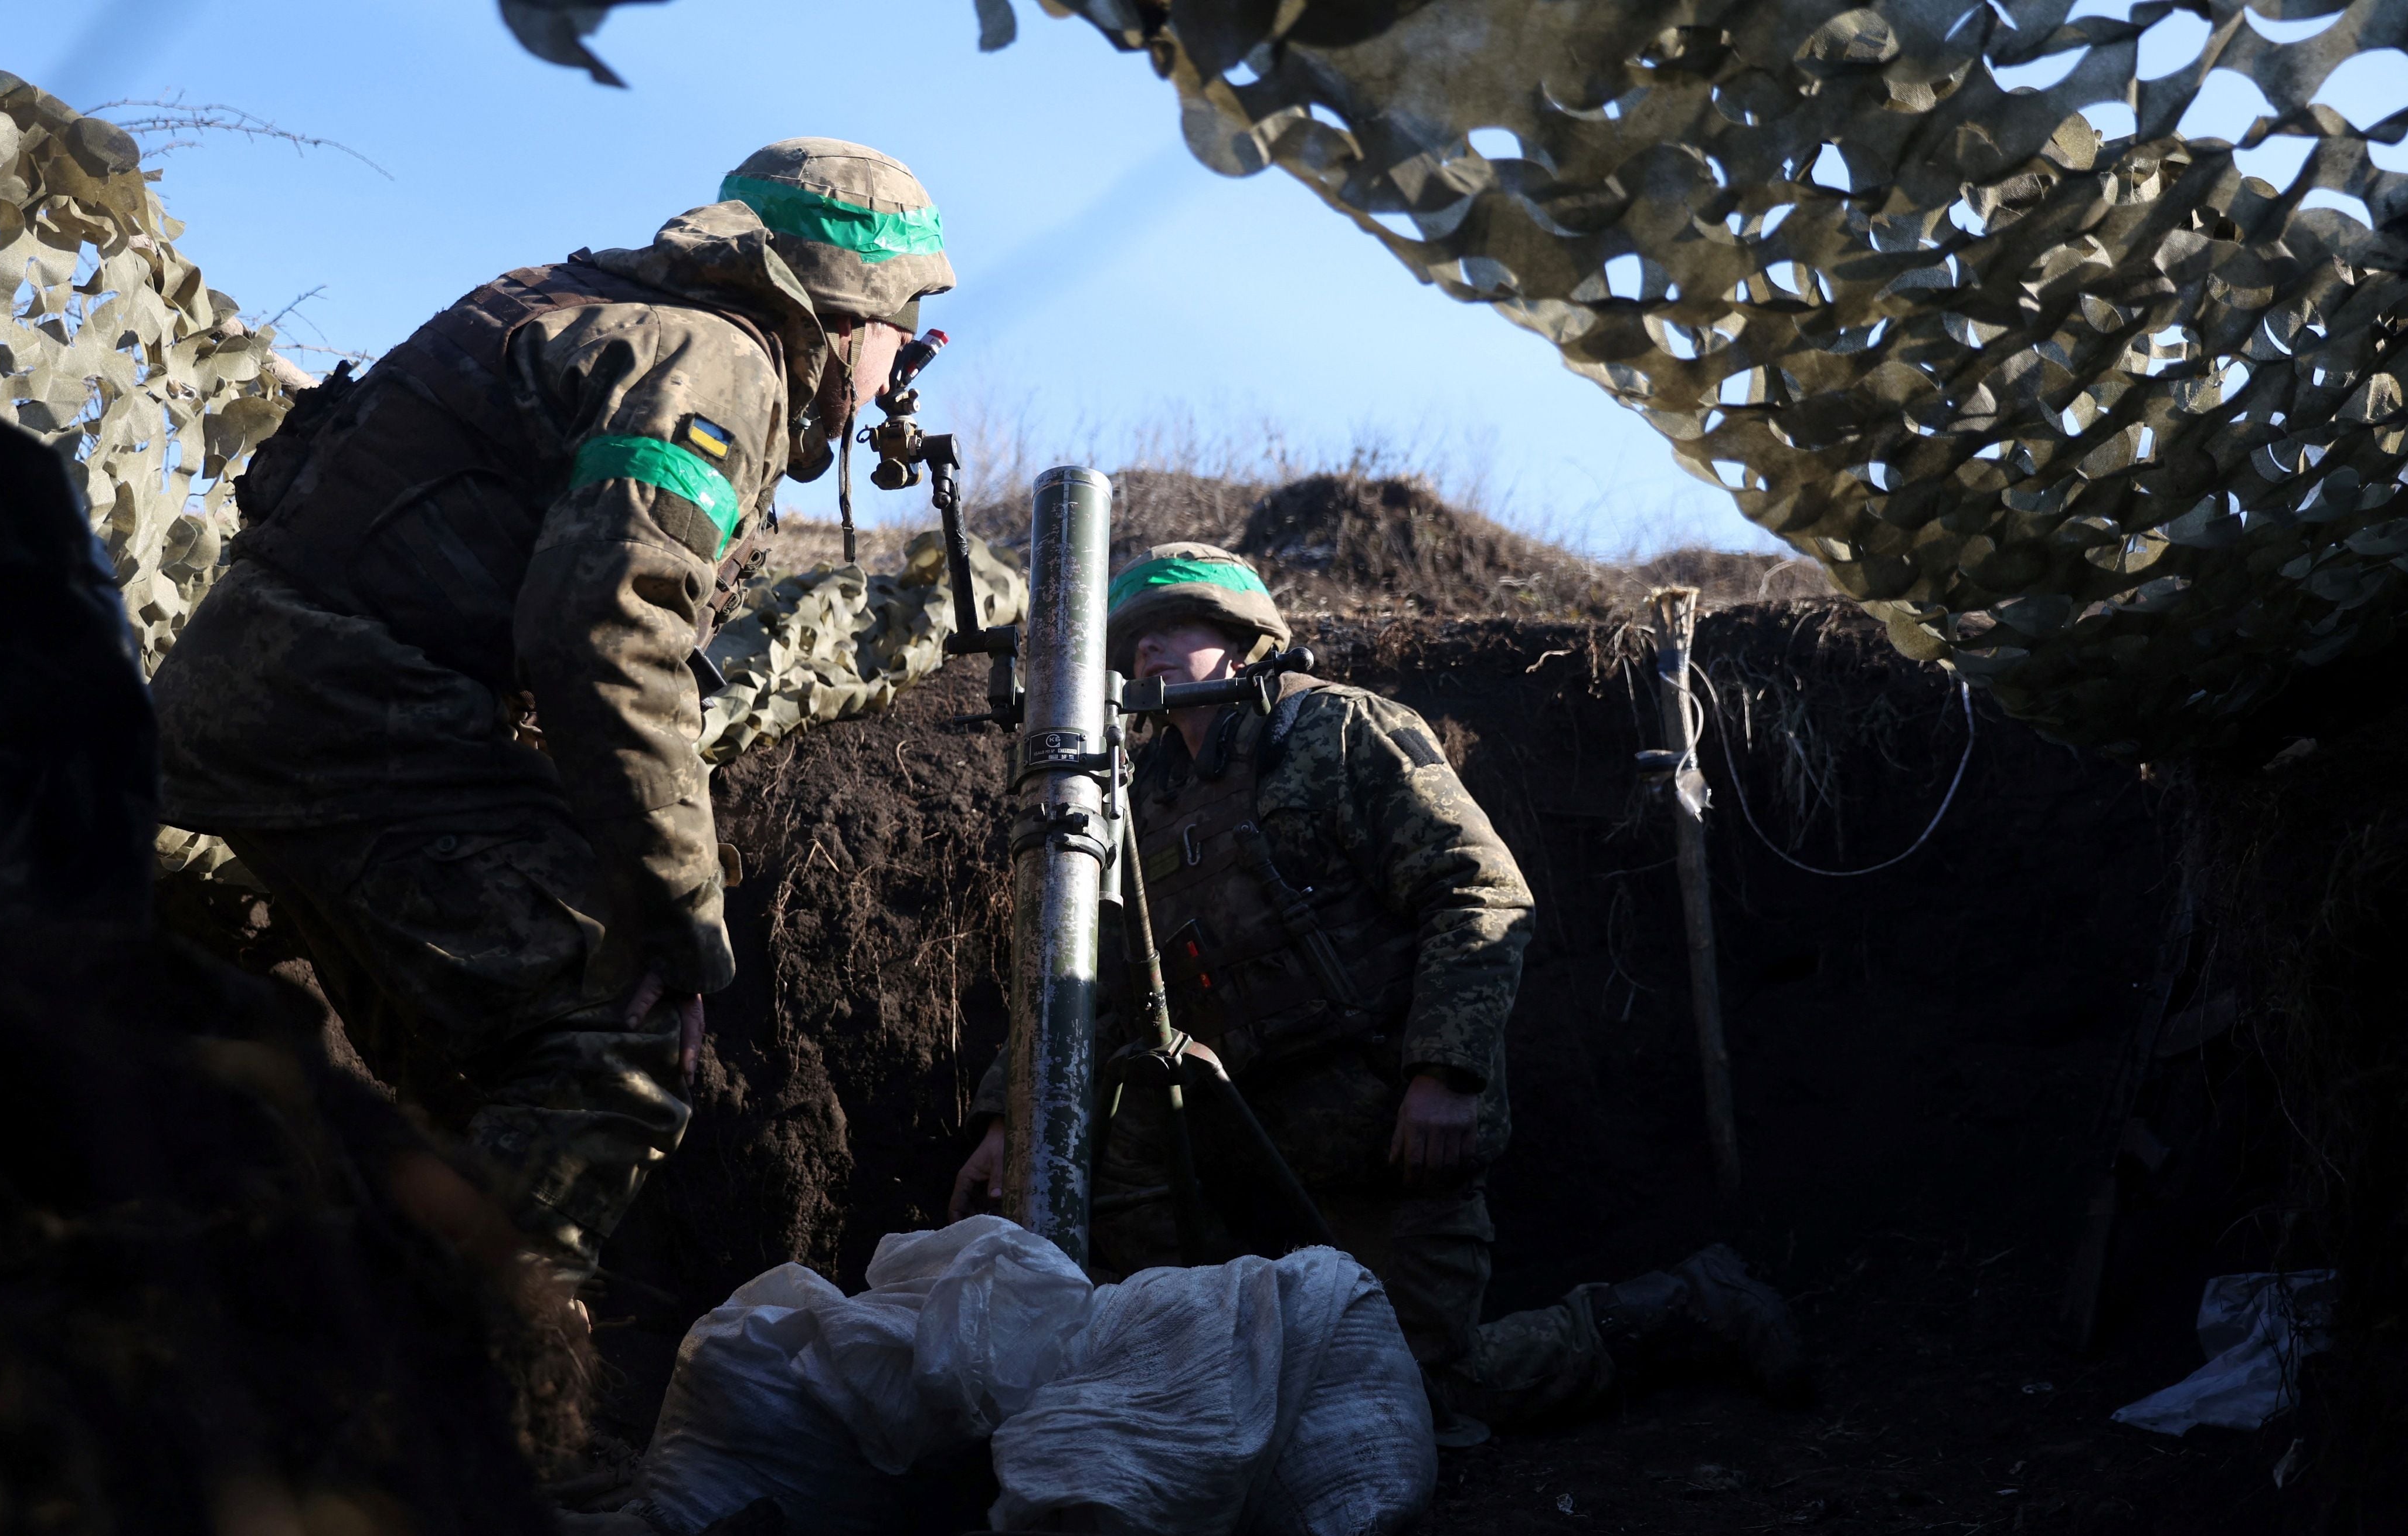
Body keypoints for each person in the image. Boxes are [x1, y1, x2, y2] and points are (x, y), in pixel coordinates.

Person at [152, 139, 954, 1270]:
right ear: (854, 307)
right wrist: (680, 924)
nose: (900, 361)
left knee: (463, 1077)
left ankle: (328, 1328)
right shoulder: (715, 364)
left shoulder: (577, 301)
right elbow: (608, 634)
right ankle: (471, 1388)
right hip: (358, 727)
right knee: (608, 1054)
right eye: (902, 326)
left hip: (264, 705)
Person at [951, 542, 1809, 1426]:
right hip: (1233, 1148)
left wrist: (1445, 1075)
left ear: (1244, 640)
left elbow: (1476, 893)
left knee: (1420, 1391)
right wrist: (1007, 1120)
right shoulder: (1136, 796)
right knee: (1175, 1357)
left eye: (1175, 629)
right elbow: (1082, 977)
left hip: (1389, 1131)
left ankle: (1680, 1307)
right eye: (1134, 643)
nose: (1149, 655)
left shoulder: (1339, 731)